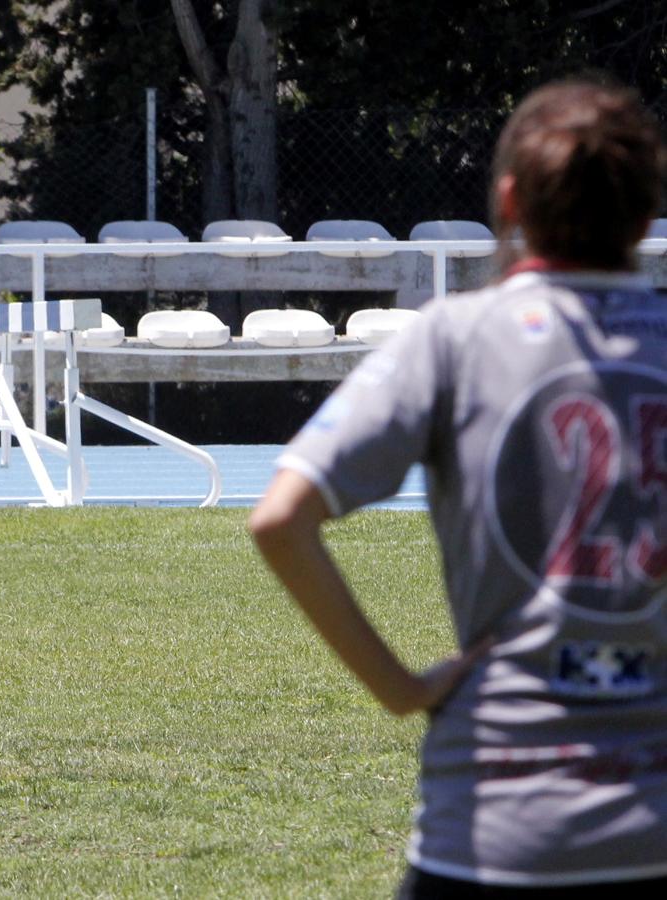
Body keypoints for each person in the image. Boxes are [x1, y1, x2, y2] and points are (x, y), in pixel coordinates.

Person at [249, 77, 667, 894]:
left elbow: (280, 520)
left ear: (508, 201)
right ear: (649, 216)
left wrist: (402, 689)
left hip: (490, 822)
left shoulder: (453, 338)